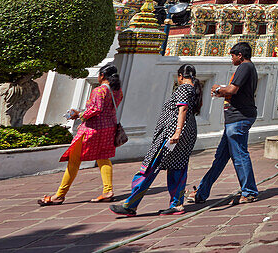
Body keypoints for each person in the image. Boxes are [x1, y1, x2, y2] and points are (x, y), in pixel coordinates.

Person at [110, 65, 201, 216]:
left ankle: (130, 204)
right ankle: (176, 204)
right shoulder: (193, 89)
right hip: (187, 133)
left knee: (151, 165)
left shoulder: (184, 88)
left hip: (172, 134)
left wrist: (177, 131)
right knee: (178, 166)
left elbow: (182, 109)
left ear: (180, 76)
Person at [38, 64, 123, 205]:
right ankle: (108, 190)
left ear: (102, 75)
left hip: (92, 130)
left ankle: (60, 195)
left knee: (74, 160)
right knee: (103, 158)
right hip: (109, 128)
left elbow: (96, 109)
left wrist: (79, 114)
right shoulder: (117, 91)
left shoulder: (99, 90)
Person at [187, 42, 258, 204]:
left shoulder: (245, 67)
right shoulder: (247, 68)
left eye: (232, 55)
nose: (231, 58)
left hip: (239, 117)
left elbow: (232, 90)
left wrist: (219, 89)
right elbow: (235, 92)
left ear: (240, 55)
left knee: (239, 155)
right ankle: (202, 193)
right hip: (235, 118)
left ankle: (250, 191)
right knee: (220, 158)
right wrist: (222, 92)